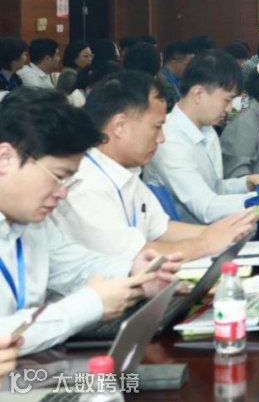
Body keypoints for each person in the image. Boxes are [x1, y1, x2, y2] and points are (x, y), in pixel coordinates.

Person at [0, 88, 179, 355]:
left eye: (69, 181)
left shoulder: (33, 222)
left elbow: (76, 266)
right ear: (5, 158)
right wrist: (87, 306)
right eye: (58, 176)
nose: (62, 193)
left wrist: (134, 272)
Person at [54, 71, 254, 262]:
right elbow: (135, 256)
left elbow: (162, 229)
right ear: (119, 126)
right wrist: (205, 243)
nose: (161, 138)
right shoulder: (85, 184)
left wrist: (221, 232)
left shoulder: (127, 171)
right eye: (156, 127)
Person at [146, 51, 259, 224]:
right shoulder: (169, 139)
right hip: (189, 236)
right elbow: (206, 208)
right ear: (198, 94)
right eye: (227, 100)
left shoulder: (208, 130)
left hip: (215, 230)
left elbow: (215, 188)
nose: (230, 109)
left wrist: (249, 182)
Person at [158, 41, 195, 109]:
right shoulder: (162, 81)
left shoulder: (182, 79)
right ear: (174, 62)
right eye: (188, 65)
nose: (190, 69)